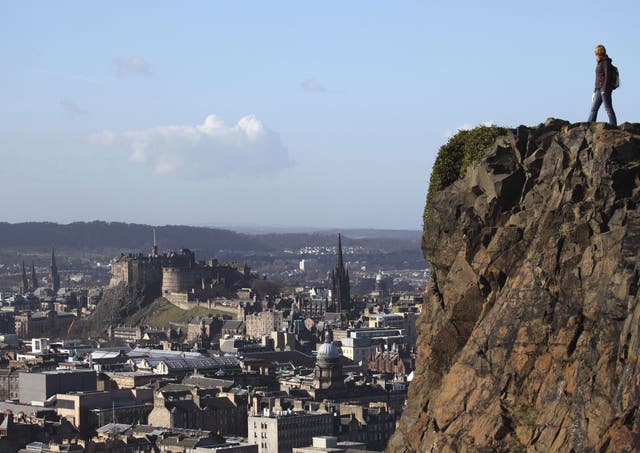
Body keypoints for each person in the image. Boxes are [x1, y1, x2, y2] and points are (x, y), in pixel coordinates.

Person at [587, 44, 617, 126]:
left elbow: (607, 76)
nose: (595, 55)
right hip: (598, 89)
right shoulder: (599, 63)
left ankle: (613, 125)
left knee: (608, 108)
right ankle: (588, 125)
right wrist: (594, 91)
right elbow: (597, 78)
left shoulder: (605, 62)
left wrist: (604, 89)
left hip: (604, 89)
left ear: (599, 53)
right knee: (594, 109)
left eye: (596, 53)